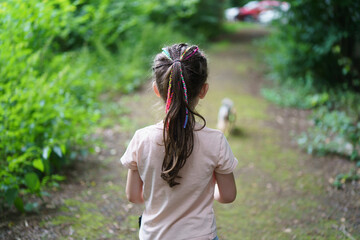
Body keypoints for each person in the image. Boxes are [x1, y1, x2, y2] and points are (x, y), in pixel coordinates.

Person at [120, 43, 238, 240]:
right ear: (203, 90)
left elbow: (134, 196)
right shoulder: (216, 141)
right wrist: (207, 191)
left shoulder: (142, 139)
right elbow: (227, 195)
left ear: (156, 89)